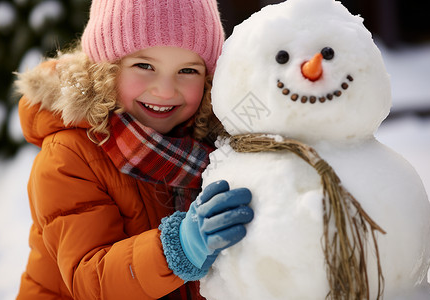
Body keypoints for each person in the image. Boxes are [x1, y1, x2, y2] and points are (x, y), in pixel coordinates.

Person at [14, 0, 254, 299]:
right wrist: (178, 248)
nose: (165, 90)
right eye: (144, 66)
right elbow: (90, 279)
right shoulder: (68, 155)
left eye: (188, 70)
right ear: (105, 69)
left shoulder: (210, 141)